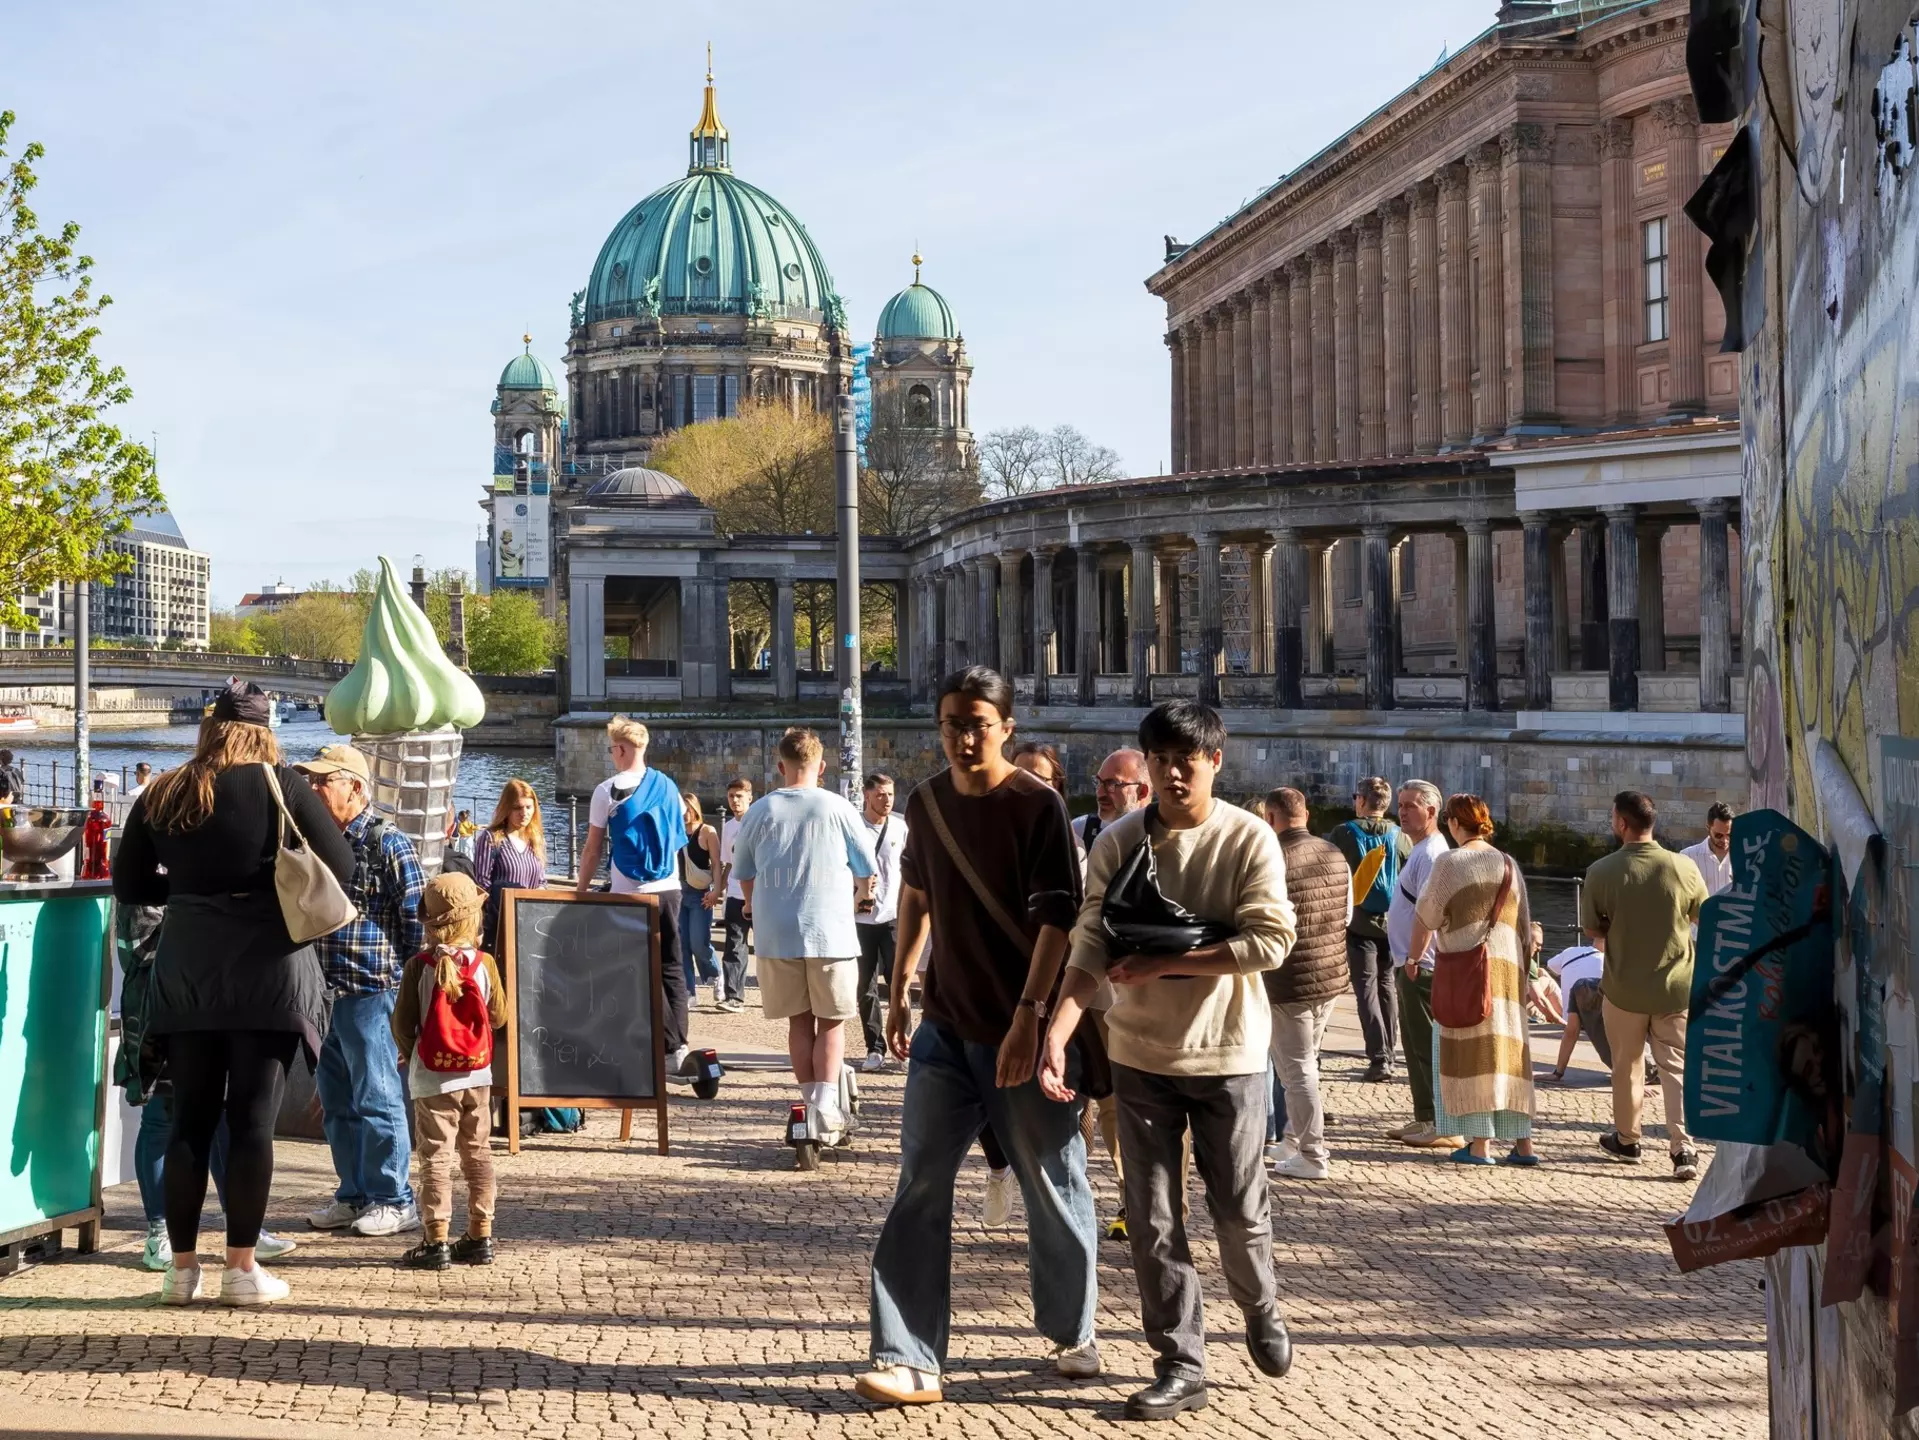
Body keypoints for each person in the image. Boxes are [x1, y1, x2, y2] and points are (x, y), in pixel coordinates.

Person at [1042, 700, 1297, 1421]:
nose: (1173, 773)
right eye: (1160, 760)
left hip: (1229, 1054)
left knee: (1237, 1209)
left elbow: (1272, 941)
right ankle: (1180, 1363)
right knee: (1152, 1219)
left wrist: (1163, 963)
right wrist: (1058, 1030)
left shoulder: (1247, 838)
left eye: (1187, 760)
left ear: (1215, 760)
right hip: (1139, 1055)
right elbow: (1090, 940)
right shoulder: (1120, 841)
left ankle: (1259, 1303)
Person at [856, 667, 1096, 1408]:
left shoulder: (1037, 805)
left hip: (1017, 1027)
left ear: (1005, 729)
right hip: (945, 1027)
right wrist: (900, 985)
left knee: (1051, 1181)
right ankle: (908, 1356)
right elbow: (917, 892)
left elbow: (1058, 919)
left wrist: (1029, 1015)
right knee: (919, 1184)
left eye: (978, 725)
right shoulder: (926, 803)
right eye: (952, 724)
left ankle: (1073, 1329)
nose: (963, 738)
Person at [112, 682, 355, 1304]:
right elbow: (343, 868)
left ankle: (181, 1271)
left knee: (188, 1120)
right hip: (268, 973)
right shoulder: (281, 786)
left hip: (187, 968)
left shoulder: (165, 790)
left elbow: (130, 883)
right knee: (251, 1123)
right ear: (264, 731)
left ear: (210, 728)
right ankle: (242, 1269)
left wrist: (191, 895)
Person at [114, 903, 298, 1272]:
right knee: (162, 1119)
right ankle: (159, 1232)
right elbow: (136, 948)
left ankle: (241, 1227)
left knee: (225, 1118)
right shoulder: (148, 886)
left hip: (210, 1004)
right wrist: (201, 927)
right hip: (160, 1011)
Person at [297, 743, 427, 1238]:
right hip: (325, 993)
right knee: (337, 1102)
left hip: (372, 991)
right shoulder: (315, 842)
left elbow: (416, 926)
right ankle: (353, 1194)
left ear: (354, 786)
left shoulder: (388, 843)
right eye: (310, 781)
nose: (313, 789)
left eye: (322, 781)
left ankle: (394, 1198)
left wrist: (409, 1000)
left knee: (378, 1098)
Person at [731, 727, 877, 1143]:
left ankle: (809, 1104)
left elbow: (744, 873)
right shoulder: (838, 807)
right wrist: (861, 896)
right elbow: (866, 867)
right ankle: (826, 1107)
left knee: (799, 1020)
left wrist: (751, 904)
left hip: (777, 932)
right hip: (830, 930)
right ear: (822, 766)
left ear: (781, 766)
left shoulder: (759, 810)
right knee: (831, 1022)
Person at [1582, 790, 1709, 1181]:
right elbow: (1704, 916)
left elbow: (1593, 930)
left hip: (1624, 988)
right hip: (1676, 986)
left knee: (1627, 1066)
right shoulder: (1684, 867)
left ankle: (1628, 1139)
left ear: (1622, 823)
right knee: (1677, 1067)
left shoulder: (1601, 871)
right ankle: (1683, 1147)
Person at [1406, 794, 1538, 1167]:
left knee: (1473, 1051)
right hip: (1507, 971)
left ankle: (1480, 1145)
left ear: (1453, 822)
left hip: (1468, 972)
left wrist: (1413, 959)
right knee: (1509, 1053)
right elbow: (1524, 925)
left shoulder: (1450, 862)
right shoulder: (1508, 863)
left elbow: (1426, 916)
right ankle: (1524, 1145)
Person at [389, 872, 506, 1270]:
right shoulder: (485, 964)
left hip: (433, 1080)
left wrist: (417, 1055)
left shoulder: (419, 966)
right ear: (473, 918)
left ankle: (435, 1239)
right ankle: (480, 1234)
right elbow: (500, 1017)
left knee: (435, 1158)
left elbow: (402, 1026)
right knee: (478, 1154)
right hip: (478, 1075)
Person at [575, 716, 691, 1069]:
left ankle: (667, 1044)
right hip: (670, 887)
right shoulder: (668, 786)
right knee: (672, 966)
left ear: (623, 749)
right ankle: (680, 1045)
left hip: (630, 891)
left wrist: (581, 890)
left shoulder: (608, 791)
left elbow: (593, 849)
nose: (612, 754)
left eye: (612, 749)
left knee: (640, 968)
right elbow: (681, 825)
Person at [1263, 787, 1350, 1181]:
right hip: (1330, 973)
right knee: (1303, 1063)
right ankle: (1294, 1140)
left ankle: (1313, 1155)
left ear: (1270, 818)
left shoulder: (1272, 857)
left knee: (1296, 1070)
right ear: (1306, 815)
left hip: (1290, 978)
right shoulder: (1334, 853)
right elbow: (1346, 915)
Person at [1383, 779, 1458, 1150]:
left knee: (1426, 1044)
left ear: (1431, 812)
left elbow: (1430, 913)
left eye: (1410, 806)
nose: (1402, 812)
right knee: (1413, 1044)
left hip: (1422, 964)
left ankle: (1440, 1122)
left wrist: (1414, 957)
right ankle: (1425, 1115)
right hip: (1411, 962)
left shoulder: (1431, 855)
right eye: (1400, 805)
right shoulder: (1421, 851)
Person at [1325, 777, 1411, 1083]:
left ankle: (1378, 1058)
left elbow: (1330, 872)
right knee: (1387, 986)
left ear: (1361, 800)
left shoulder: (1344, 833)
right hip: (1392, 923)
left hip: (1358, 923)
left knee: (1365, 989)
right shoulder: (1400, 836)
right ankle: (1391, 1053)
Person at [855, 773, 907, 1074]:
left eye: (890, 794)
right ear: (867, 796)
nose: (886, 800)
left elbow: (910, 869)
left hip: (893, 917)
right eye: (880, 795)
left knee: (899, 983)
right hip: (859, 919)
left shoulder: (900, 827)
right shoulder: (854, 828)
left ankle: (902, 1046)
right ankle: (874, 1047)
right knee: (866, 986)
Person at [472, 778, 547, 956]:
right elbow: (482, 884)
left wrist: (538, 895)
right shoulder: (492, 838)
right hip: (500, 922)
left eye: (528, 807)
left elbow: (542, 881)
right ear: (506, 808)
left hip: (529, 920)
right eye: (517, 808)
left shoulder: (536, 840)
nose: (524, 813)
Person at [709, 777, 754, 1013]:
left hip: (761, 894)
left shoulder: (759, 822)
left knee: (769, 948)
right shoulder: (728, 828)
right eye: (731, 796)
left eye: (739, 796)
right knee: (734, 945)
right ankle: (734, 997)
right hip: (736, 894)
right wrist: (719, 889)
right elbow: (727, 863)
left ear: (750, 798)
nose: (735, 801)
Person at [1543, 934, 1609, 1080]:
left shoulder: (1578, 985)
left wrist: (1557, 1073)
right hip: (1636, 1065)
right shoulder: (1611, 965)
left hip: (1575, 1016)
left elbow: (1551, 965)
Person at [678, 791, 720, 1001]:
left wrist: (716, 891)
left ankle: (716, 974)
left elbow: (717, 864)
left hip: (700, 894)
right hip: (678, 892)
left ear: (695, 810)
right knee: (682, 945)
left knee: (698, 943)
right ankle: (689, 992)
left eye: (689, 810)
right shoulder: (675, 831)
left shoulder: (707, 832)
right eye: (682, 810)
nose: (685, 814)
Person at [1075, 748, 1149, 857]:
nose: (1100, 793)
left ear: (1141, 792)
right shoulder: (1080, 831)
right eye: (1098, 782)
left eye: (1112, 784)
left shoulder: (1163, 838)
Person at [1681, 801, 1736, 900]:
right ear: (1708, 828)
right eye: (1718, 835)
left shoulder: (1743, 858)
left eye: (1729, 835)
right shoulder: (1688, 857)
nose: (1725, 840)